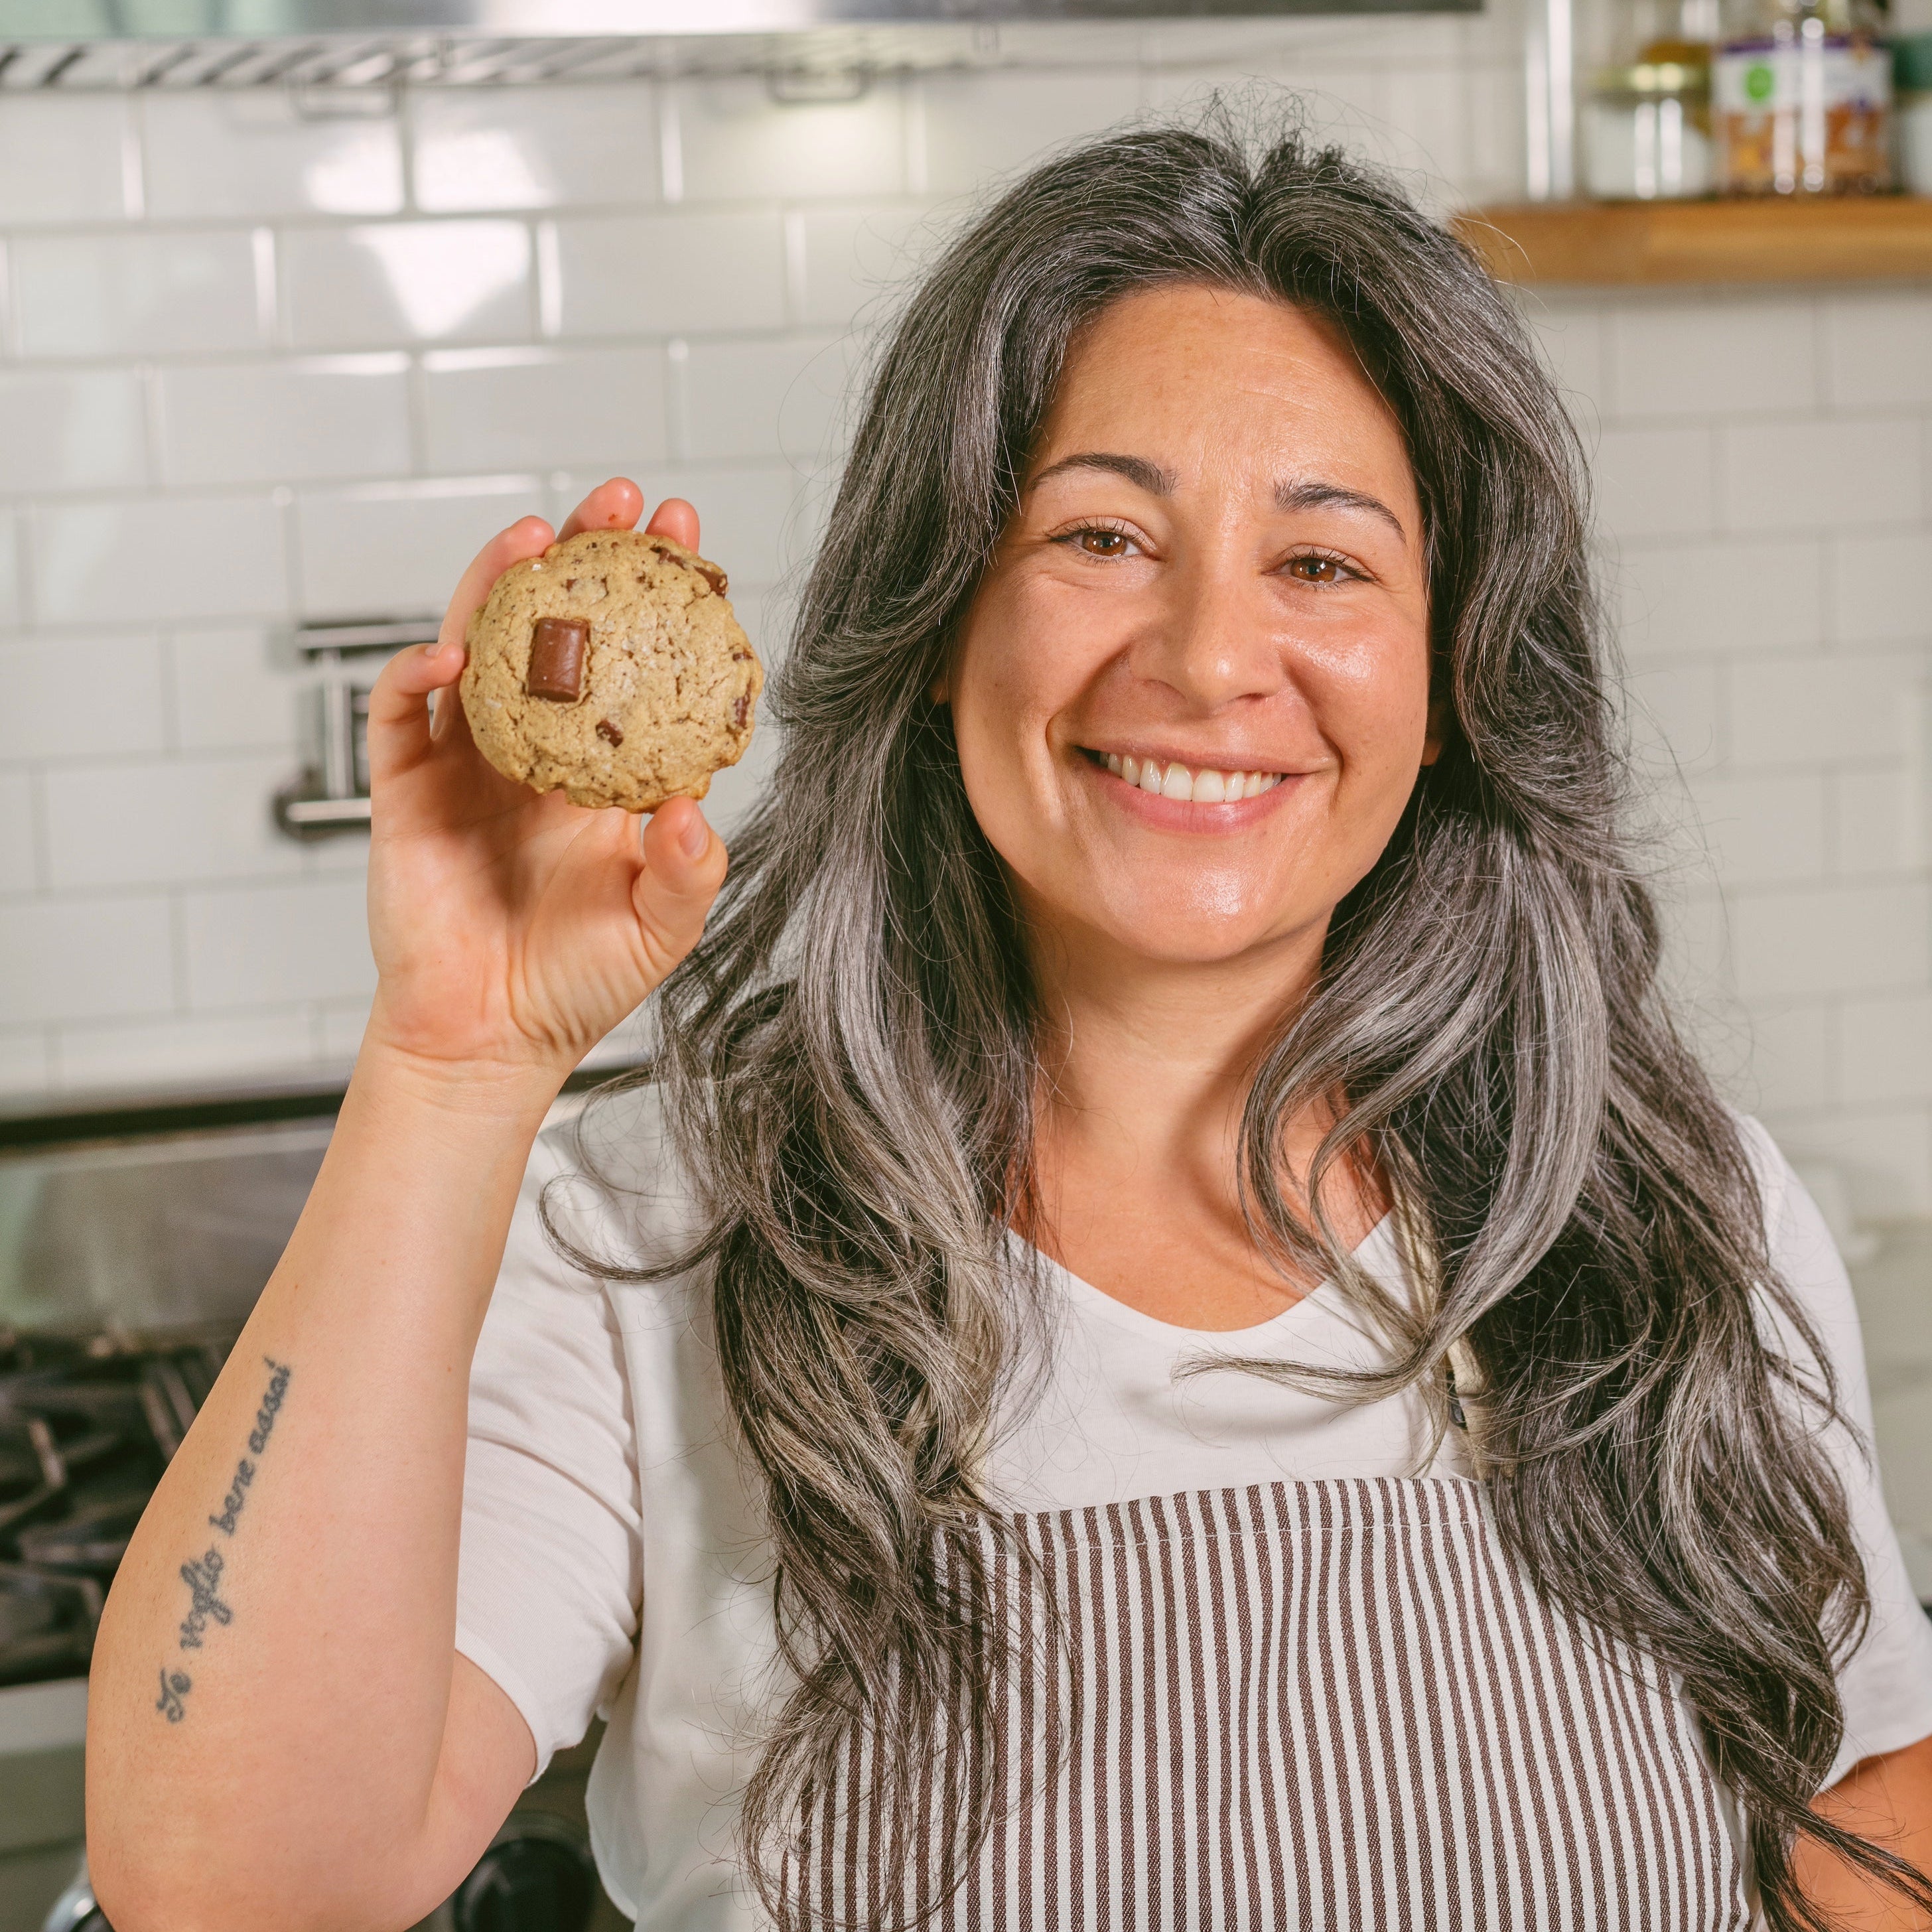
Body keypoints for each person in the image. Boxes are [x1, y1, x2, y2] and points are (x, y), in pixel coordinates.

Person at [88, 110, 1932, 1931]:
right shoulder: (656, 1242)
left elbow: (1858, 1819)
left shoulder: (1667, 1218)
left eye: (1323, 563)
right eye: (1105, 538)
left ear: (1446, 682)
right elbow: (238, 1892)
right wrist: (453, 1062)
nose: (1211, 660)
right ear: (941, 617)